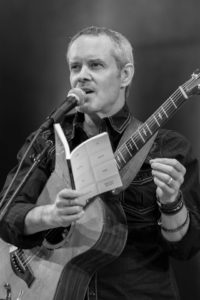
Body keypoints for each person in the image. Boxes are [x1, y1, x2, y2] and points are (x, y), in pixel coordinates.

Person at [0, 26, 200, 300]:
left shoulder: (167, 148)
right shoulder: (48, 139)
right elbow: (6, 214)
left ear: (125, 74)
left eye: (95, 65)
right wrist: (50, 215)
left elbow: (186, 247)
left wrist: (171, 201)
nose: (82, 76)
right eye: (75, 67)